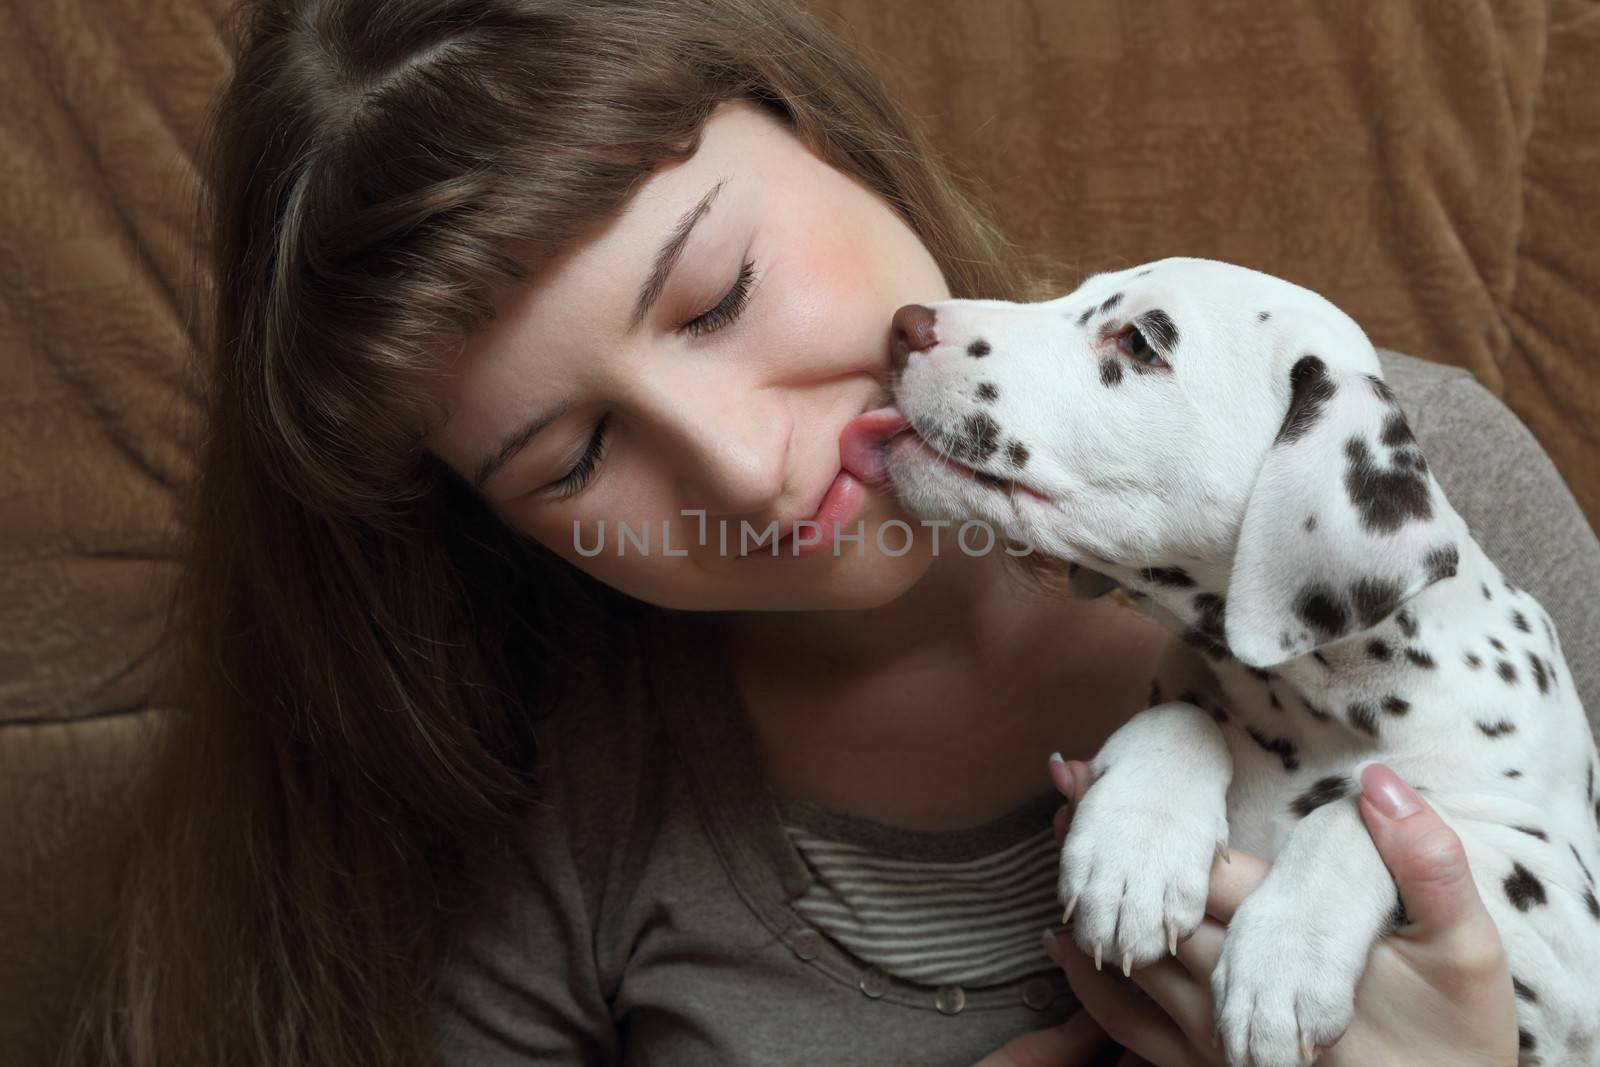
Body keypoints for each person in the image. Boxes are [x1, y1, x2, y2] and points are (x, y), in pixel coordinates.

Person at [57, 1, 1600, 1065]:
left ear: (826, 132)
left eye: (718, 295)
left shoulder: (1400, 477)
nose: (742, 469)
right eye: (577, 455)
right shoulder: (552, 798)